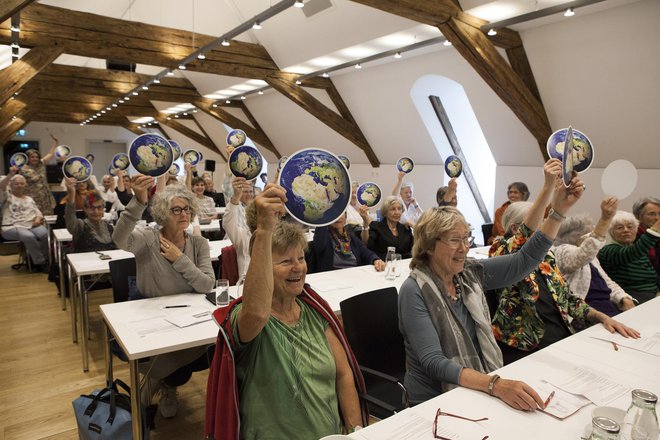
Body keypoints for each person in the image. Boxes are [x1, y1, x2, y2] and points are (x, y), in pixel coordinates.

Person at [204, 183, 368, 440]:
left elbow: (343, 374)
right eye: (285, 261)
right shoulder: (249, 319)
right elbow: (257, 314)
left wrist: (355, 431)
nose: (298, 268)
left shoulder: (315, 311)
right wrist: (265, 229)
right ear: (263, 268)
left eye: (301, 258)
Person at [490, 160, 639, 364]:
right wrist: (549, 187)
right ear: (515, 228)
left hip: (562, 335)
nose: (545, 227)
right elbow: (524, 242)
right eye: (539, 222)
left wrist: (601, 317)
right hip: (525, 347)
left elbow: (567, 298)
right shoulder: (501, 251)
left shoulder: (547, 256)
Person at [113, 176, 215, 418]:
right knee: (183, 361)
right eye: (176, 210)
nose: (183, 214)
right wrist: (138, 202)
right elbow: (119, 239)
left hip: (189, 316)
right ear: (162, 213)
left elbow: (207, 284)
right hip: (153, 316)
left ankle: (155, 378)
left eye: (187, 209)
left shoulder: (199, 243)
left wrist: (179, 258)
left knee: (215, 348)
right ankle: (166, 384)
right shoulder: (148, 239)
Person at [552, 197, 635, 316]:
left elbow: (607, 282)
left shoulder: (592, 257)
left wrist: (623, 298)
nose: (593, 236)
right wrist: (606, 218)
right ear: (577, 236)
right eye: (590, 233)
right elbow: (583, 254)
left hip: (608, 307)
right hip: (588, 313)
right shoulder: (563, 251)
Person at [598, 210, 660, 304]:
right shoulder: (608, 250)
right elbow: (632, 253)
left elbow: (653, 278)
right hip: (632, 297)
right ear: (611, 232)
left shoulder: (638, 250)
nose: (626, 230)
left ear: (636, 230)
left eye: (630, 227)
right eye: (620, 228)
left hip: (653, 294)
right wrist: (655, 229)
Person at [0, 169, 49, 270]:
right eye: (16, 183)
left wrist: (38, 219)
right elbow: (2, 187)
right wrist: (10, 175)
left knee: (46, 235)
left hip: (31, 225)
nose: (19, 185)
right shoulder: (7, 197)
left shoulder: (29, 199)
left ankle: (44, 259)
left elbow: (38, 212)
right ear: (11, 185)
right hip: (12, 226)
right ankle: (40, 263)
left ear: (25, 185)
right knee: (29, 236)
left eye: (22, 183)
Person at [312, 211, 385, 273]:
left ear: (346, 216)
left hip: (353, 274)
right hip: (333, 277)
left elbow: (366, 252)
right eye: (335, 215)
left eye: (341, 214)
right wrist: (323, 219)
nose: (338, 218)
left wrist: (376, 260)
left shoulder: (350, 236)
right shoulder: (324, 235)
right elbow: (319, 245)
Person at [63, 177, 115, 253]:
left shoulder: (110, 228)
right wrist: (71, 194)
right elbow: (70, 217)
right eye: (92, 208)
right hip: (84, 264)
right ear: (86, 210)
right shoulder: (80, 226)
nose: (96, 211)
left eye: (99, 207)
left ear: (103, 210)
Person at [222, 176, 256, 281]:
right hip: (248, 283)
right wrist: (236, 196)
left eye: (251, 192)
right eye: (246, 192)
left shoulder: (274, 236)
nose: (249, 194)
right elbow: (228, 222)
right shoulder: (245, 236)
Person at [363, 196, 413, 260]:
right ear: (385, 212)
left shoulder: (405, 228)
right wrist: (365, 223)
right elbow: (367, 244)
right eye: (393, 209)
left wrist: (414, 226)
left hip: (403, 265)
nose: (397, 212)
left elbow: (414, 249)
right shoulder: (376, 226)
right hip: (382, 264)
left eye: (399, 209)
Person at [19, 141, 58, 215]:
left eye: (37, 157)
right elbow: (35, 178)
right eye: (32, 157)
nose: (35, 159)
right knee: (34, 218)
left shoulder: (40, 164)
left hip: (45, 198)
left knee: (48, 218)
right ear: (27, 158)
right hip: (32, 199)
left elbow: (50, 154)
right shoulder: (24, 168)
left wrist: (56, 143)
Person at [632, 197, 660, 276]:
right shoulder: (632, 237)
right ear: (638, 217)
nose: (657, 218)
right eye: (652, 214)